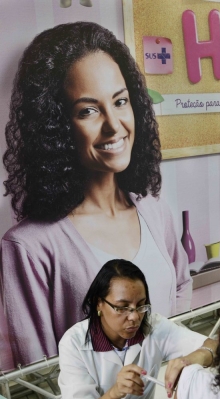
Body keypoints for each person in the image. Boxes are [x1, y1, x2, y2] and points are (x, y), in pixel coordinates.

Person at [0, 21, 192, 367]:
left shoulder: (153, 210)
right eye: (88, 110)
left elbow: (180, 289)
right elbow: (38, 374)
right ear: (55, 126)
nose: (114, 125)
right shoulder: (28, 248)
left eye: (120, 101)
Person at [52, 259, 216, 399]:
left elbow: (215, 346)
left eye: (141, 305)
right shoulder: (73, 342)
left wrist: (192, 359)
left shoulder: (154, 328)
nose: (134, 317)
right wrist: (115, 392)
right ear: (98, 303)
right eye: (122, 308)